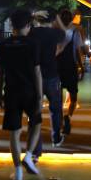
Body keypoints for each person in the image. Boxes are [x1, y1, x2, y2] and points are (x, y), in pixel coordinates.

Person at [0, 9, 43, 180]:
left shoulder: (4, 45)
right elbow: (37, 72)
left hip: (11, 92)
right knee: (36, 123)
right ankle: (29, 156)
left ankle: (17, 172)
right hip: (30, 92)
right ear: (28, 25)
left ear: (12, 25)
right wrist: (40, 96)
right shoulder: (33, 44)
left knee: (14, 133)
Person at [30, 8, 67, 160]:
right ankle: (56, 137)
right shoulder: (54, 33)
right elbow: (65, 33)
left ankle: (35, 148)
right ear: (51, 20)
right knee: (55, 109)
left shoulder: (32, 32)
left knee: (35, 111)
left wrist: (33, 17)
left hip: (34, 76)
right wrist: (57, 17)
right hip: (52, 75)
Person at [56, 8, 86, 137]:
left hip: (57, 68)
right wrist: (81, 67)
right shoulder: (75, 32)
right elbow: (78, 52)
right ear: (71, 19)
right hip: (71, 68)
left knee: (58, 98)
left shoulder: (56, 32)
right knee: (73, 98)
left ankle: (60, 122)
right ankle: (68, 116)